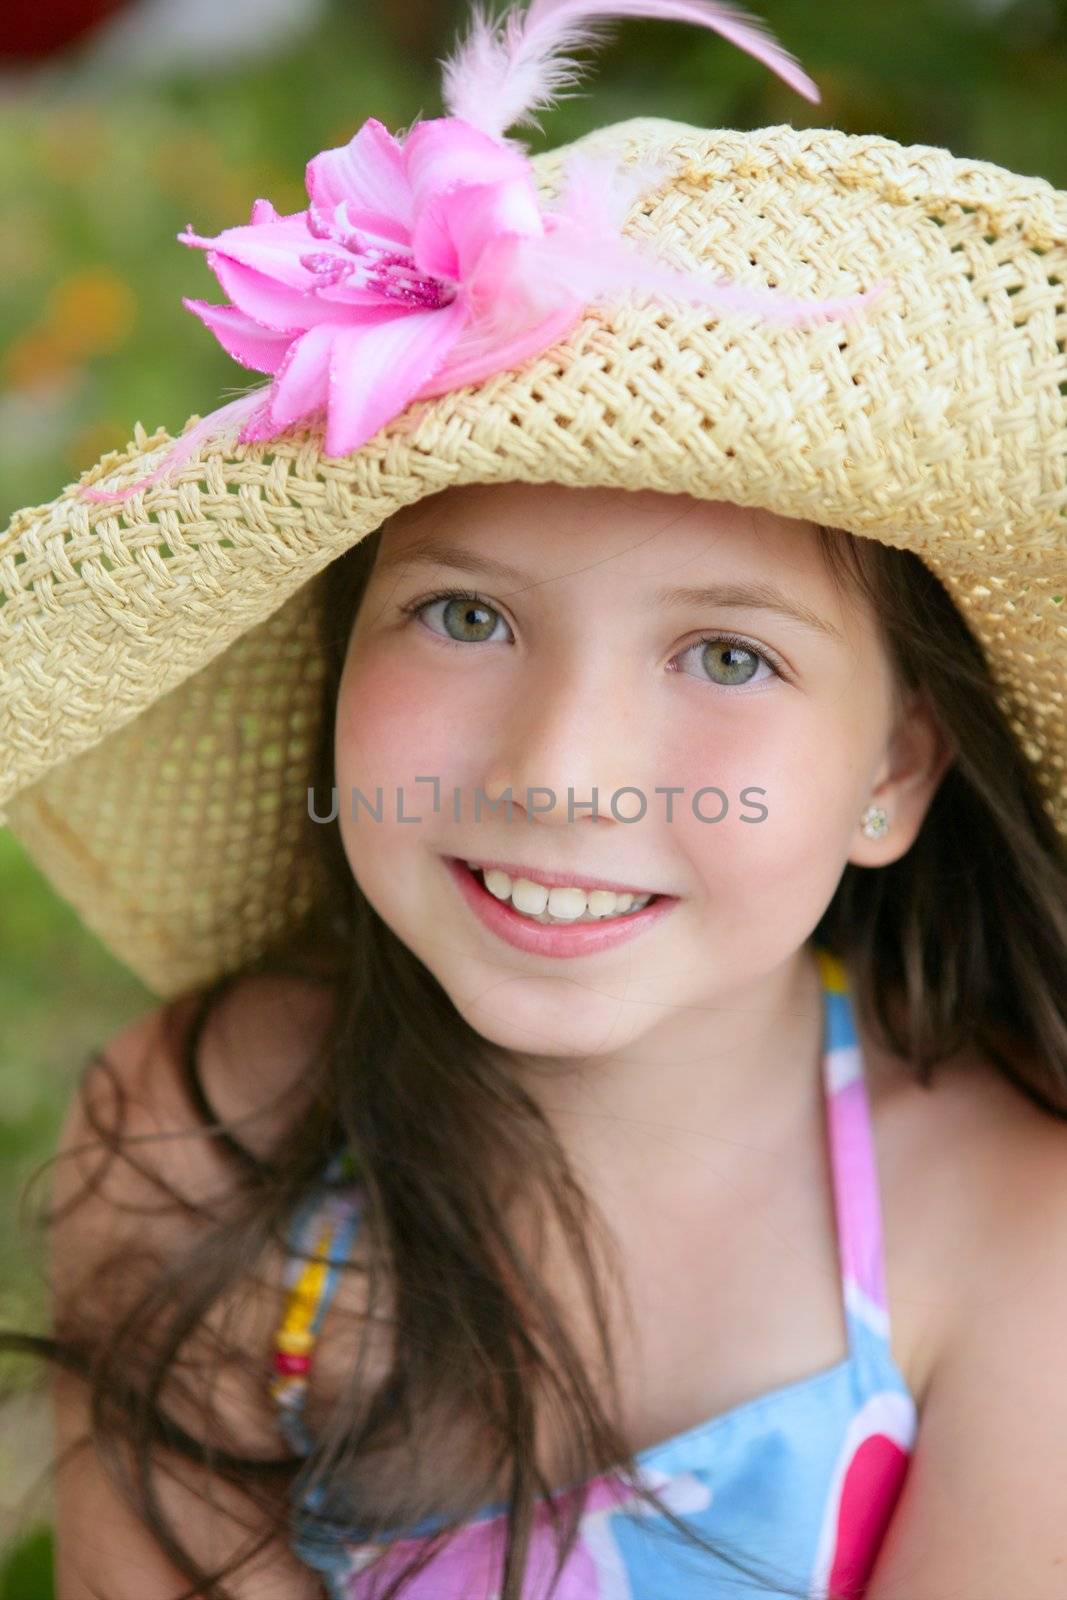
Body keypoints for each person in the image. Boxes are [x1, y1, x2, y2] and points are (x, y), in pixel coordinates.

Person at [0, 1, 1065, 1597]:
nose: (557, 775)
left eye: (725, 653)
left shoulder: (1004, 1245)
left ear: (896, 769)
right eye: (466, 616)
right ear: (336, 656)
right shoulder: (205, 1137)